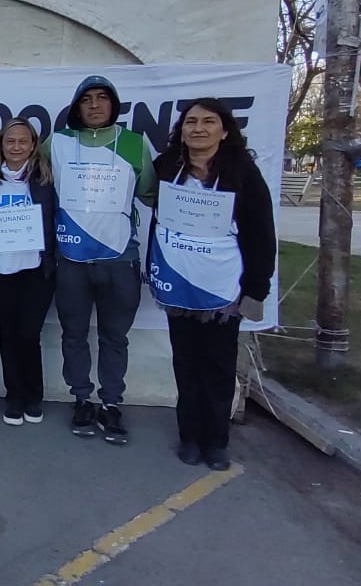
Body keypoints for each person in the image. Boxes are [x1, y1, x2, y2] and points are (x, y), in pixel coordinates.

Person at [148, 98, 275, 471]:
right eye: (190, 122)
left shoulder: (243, 172)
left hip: (222, 290)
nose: (198, 128)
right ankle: (189, 436)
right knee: (185, 364)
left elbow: (261, 234)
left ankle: (216, 442)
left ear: (224, 129)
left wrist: (257, 288)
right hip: (177, 284)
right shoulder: (167, 167)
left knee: (218, 367)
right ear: (181, 130)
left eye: (207, 121)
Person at [48, 75, 157, 445]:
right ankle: (82, 398)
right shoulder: (58, 142)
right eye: (87, 99)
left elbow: (150, 192)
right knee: (74, 334)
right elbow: (24, 174)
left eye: (102, 98)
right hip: (72, 259)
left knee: (115, 337)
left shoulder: (134, 144)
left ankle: (111, 403)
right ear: (76, 107)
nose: (94, 105)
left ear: (114, 105)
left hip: (119, 258)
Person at [0, 118, 57, 426]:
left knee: (29, 335)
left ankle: (32, 396)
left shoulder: (45, 178)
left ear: (33, 145)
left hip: (35, 270)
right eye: (9, 141)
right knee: (7, 335)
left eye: (22, 141)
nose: (16, 147)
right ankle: (13, 396)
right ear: (1, 145)